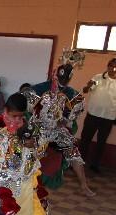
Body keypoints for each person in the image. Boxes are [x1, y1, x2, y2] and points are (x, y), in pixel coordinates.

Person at [30, 63, 94, 196]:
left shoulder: (72, 94)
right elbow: (27, 107)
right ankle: (29, 183)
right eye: (60, 77)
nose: (62, 81)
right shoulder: (40, 88)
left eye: (66, 79)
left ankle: (83, 185)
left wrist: (64, 121)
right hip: (39, 129)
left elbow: (71, 117)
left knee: (74, 152)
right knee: (31, 152)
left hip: (58, 130)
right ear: (55, 74)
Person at [79, 57, 116, 173]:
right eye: (111, 66)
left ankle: (95, 165)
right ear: (108, 66)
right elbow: (85, 90)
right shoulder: (97, 77)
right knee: (85, 139)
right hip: (92, 115)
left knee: (101, 143)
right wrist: (88, 85)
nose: (114, 68)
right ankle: (79, 162)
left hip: (108, 118)